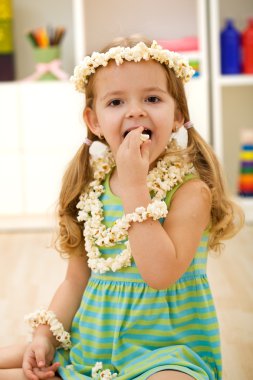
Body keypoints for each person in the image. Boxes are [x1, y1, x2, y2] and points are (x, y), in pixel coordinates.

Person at [0, 35, 244, 380]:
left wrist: (134, 187)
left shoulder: (191, 192)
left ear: (177, 115)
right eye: (115, 102)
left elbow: (159, 275)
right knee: (24, 361)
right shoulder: (91, 191)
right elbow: (75, 280)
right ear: (94, 121)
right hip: (94, 349)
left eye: (152, 98)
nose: (135, 111)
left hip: (165, 355)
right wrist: (44, 336)